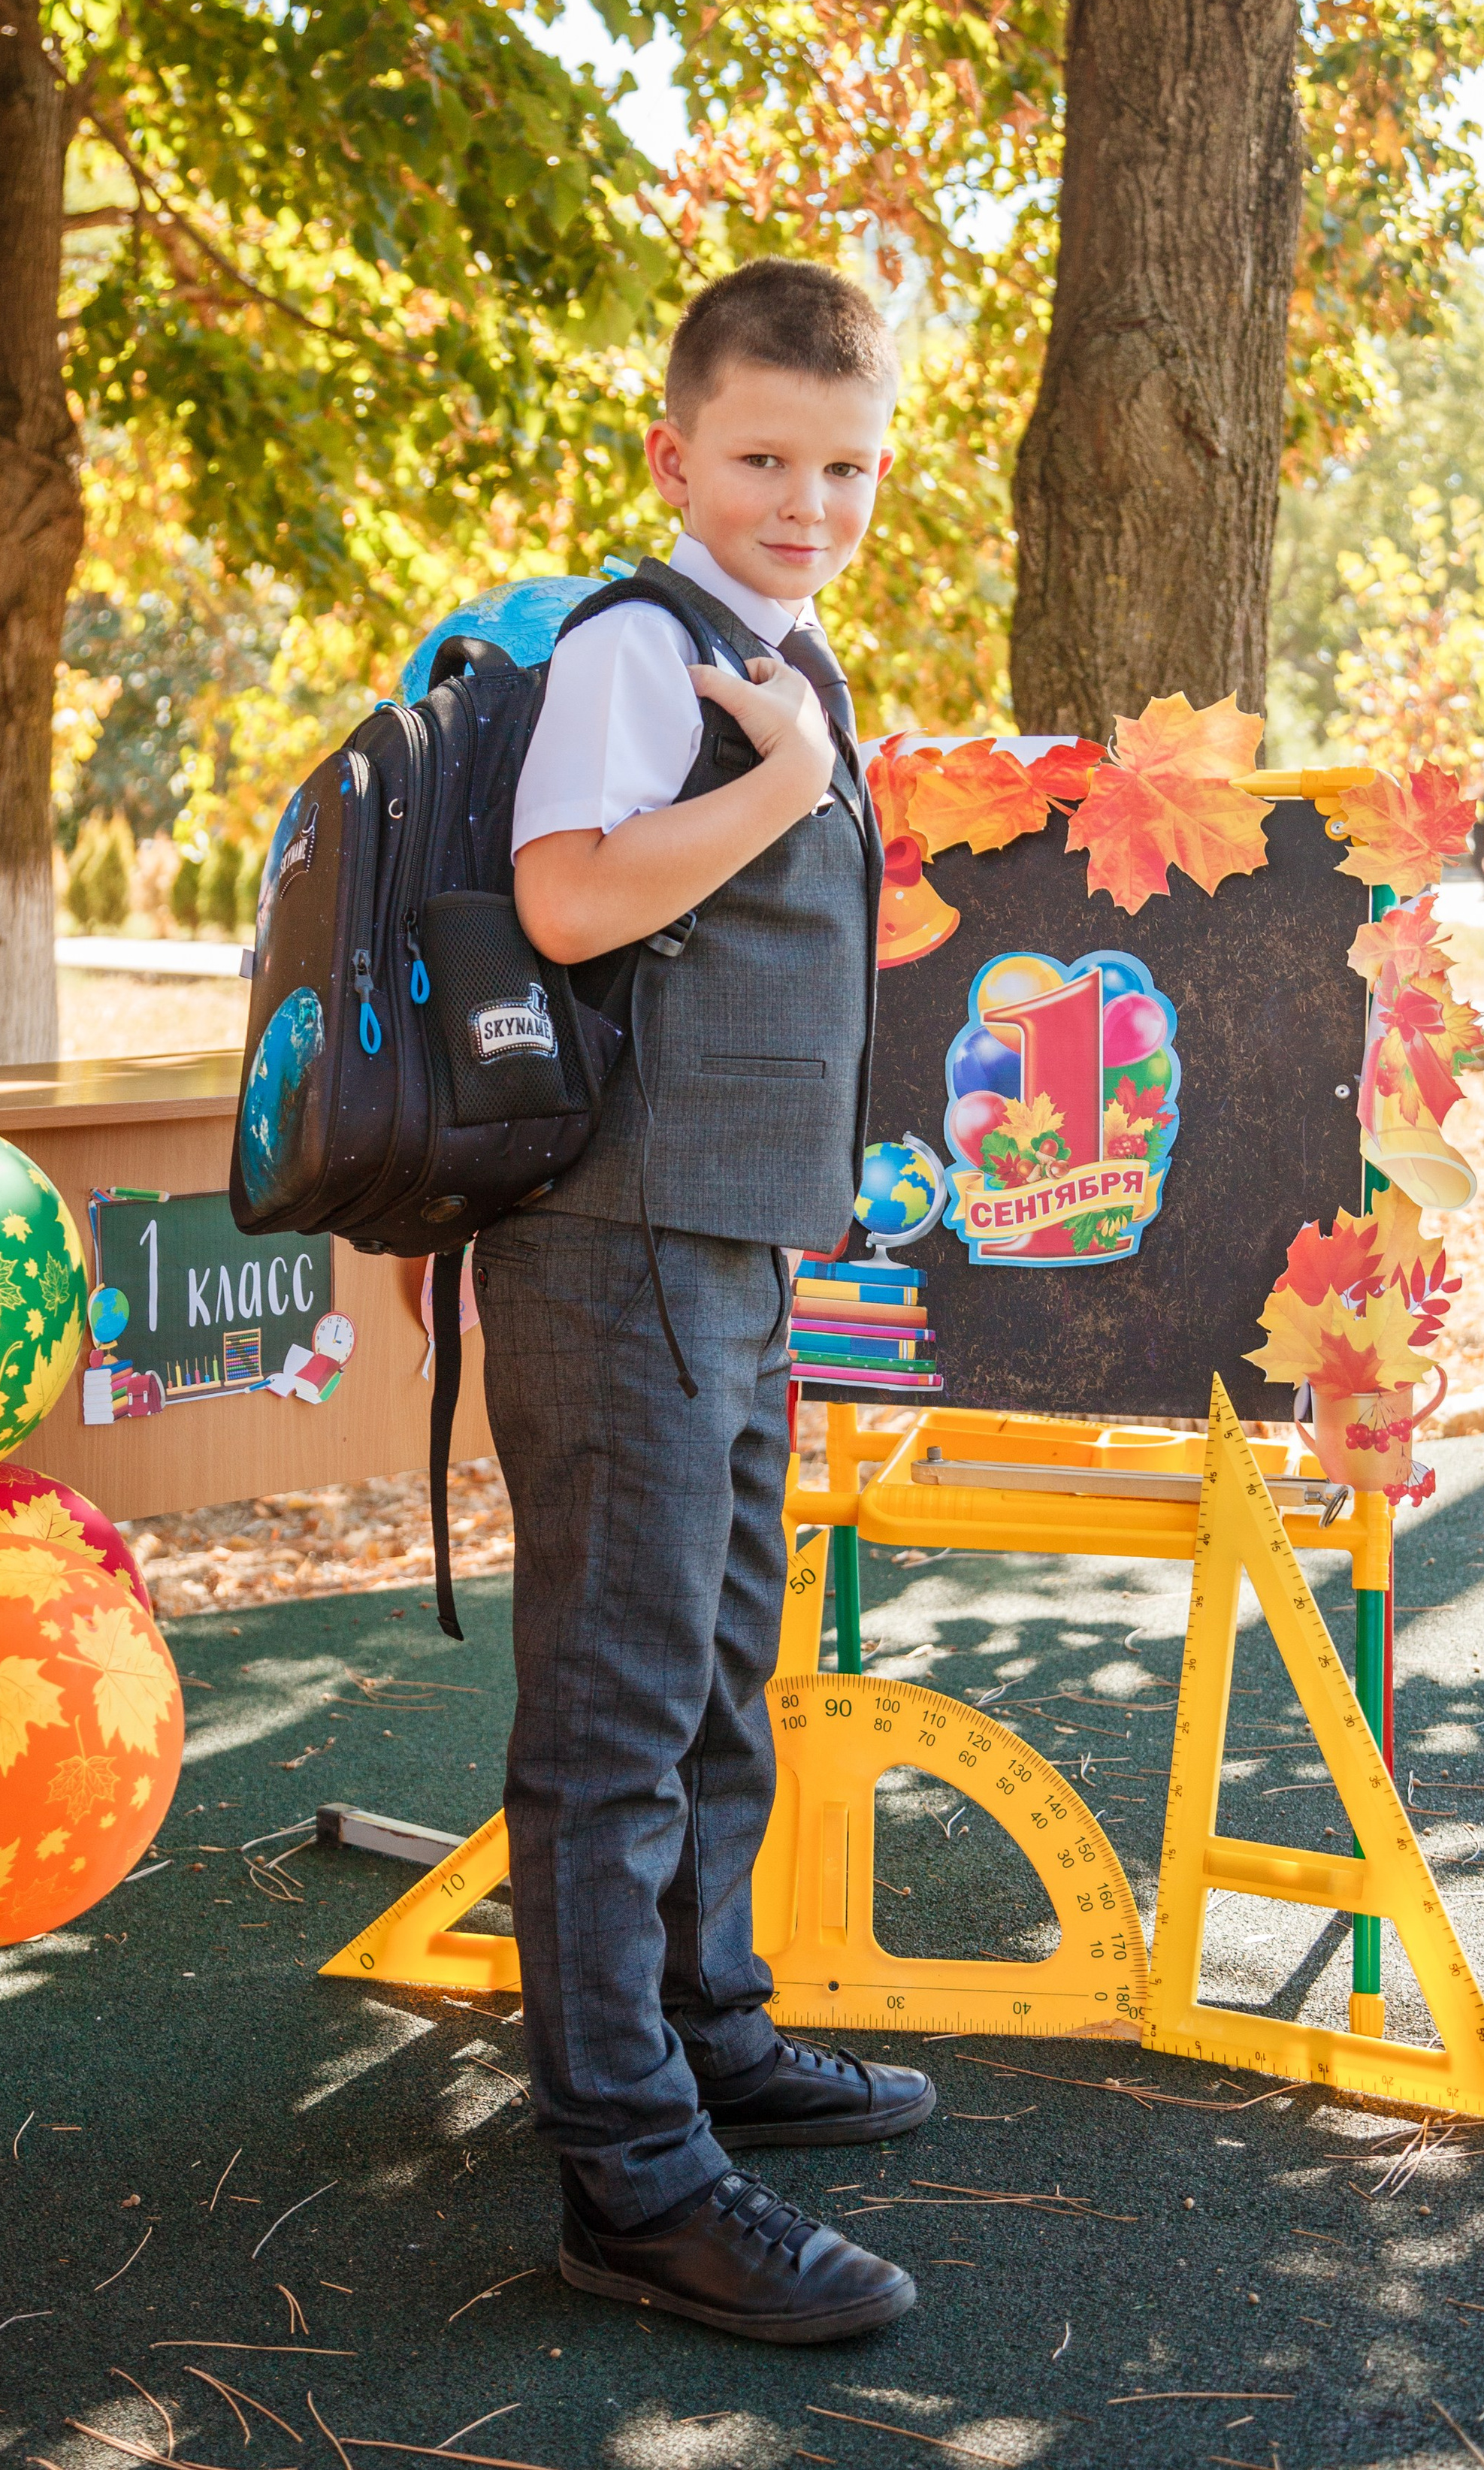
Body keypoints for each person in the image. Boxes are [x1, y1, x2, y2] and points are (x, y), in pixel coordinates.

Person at [471, 258, 932, 2347]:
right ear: (677, 455)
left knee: (716, 1675)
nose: (807, 498)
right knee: (619, 1711)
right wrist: (777, 780)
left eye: (845, 463)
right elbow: (570, 895)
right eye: (763, 457)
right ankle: (632, 2173)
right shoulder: (651, 653)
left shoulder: (775, 648)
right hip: (619, 1248)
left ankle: (701, 2025)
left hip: (727, 1253)